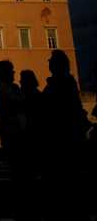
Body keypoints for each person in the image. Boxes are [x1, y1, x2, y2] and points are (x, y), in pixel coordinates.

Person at [40, 50, 90, 219]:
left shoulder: (61, 85)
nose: (49, 63)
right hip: (63, 141)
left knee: (65, 186)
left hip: (61, 143)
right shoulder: (66, 84)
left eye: (51, 61)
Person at [0, 60, 32, 218]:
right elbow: (18, 105)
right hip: (15, 137)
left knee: (20, 175)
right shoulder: (5, 90)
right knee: (20, 175)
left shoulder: (6, 90)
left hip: (16, 136)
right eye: (11, 71)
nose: (14, 74)